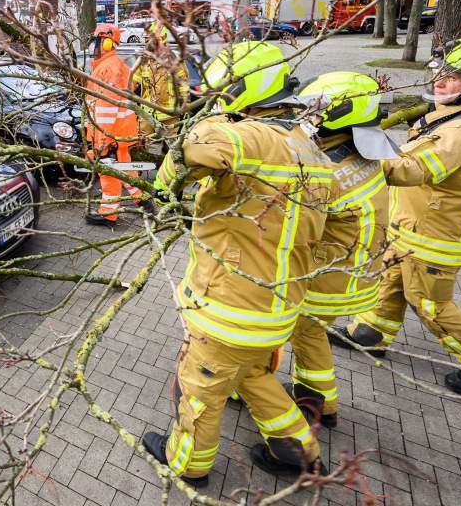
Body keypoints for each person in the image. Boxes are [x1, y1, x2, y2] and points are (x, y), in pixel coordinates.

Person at [142, 41, 331, 483]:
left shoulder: (251, 136)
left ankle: (187, 464)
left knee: (200, 392)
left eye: (221, 94)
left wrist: (165, 182)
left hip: (230, 308)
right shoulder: (309, 150)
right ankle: (296, 453)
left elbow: (197, 148)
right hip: (276, 307)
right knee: (255, 378)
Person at [330, 36, 461, 396]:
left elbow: (414, 167)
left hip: (437, 235)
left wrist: (356, 159)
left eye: (454, 76)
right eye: (439, 72)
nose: (440, 81)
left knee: (431, 304)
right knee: (391, 280)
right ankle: (371, 332)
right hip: (413, 227)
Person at [286, 72, 397, 428]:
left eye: (315, 113)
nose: (307, 119)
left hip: (330, 277)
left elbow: (296, 229)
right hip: (356, 269)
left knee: (304, 333)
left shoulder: (326, 174)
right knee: (312, 334)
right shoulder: (361, 154)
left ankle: (316, 406)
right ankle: (320, 399)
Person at [85, 23, 154, 226]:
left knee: (109, 175)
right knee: (126, 171)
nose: (92, 48)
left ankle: (109, 214)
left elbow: (106, 109)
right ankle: (143, 200)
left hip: (110, 136)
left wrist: (102, 142)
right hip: (119, 134)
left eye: (95, 42)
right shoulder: (113, 66)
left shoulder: (109, 68)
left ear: (106, 43)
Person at [131, 23, 189, 149]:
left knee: (172, 150)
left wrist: (184, 107)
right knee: (145, 149)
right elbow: (133, 82)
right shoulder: (144, 61)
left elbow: (183, 86)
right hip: (147, 114)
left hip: (169, 115)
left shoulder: (174, 61)